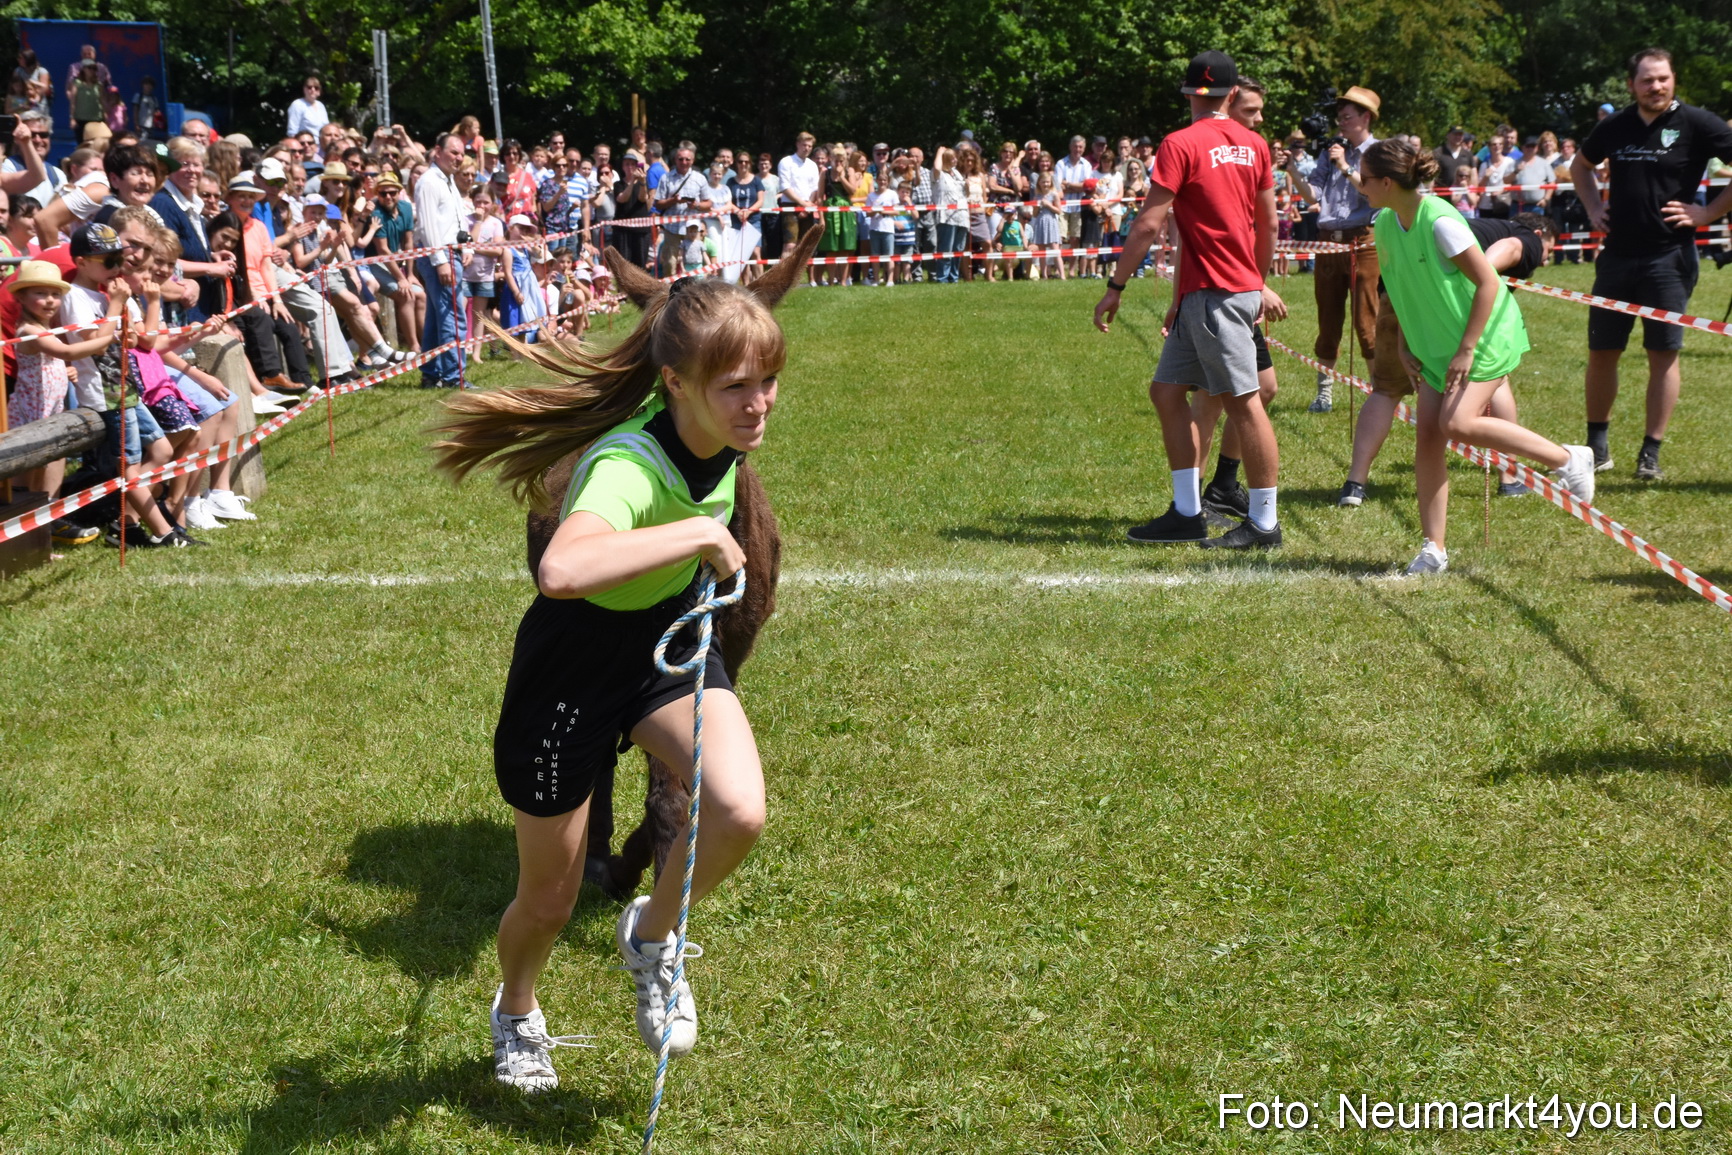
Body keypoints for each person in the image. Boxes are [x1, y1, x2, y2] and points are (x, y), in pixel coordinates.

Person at [429, 238, 821, 1093]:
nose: (759, 404)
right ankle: (516, 1009)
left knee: (738, 810)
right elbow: (562, 569)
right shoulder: (625, 465)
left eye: (768, 380)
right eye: (736, 386)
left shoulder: (721, 433)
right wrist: (697, 532)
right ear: (674, 383)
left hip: (662, 648)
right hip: (571, 672)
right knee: (549, 901)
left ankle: (652, 934)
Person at [1357, 139, 1595, 575]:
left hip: (1483, 339)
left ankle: (1567, 459)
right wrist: (1405, 344)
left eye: (1365, 178)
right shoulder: (1386, 224)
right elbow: (1402, 287)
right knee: (1428, 438)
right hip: (1434, 346)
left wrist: (1466, 349)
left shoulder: (1440, 222)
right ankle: (1433, 550)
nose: (1360, 186)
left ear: (1387, 182)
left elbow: (1488, 283)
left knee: (1457, 423)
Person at [1094, 50, 1282, 550]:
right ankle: (1186, 512)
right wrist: (1255, 281)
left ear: (1187, 94)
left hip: (1216, 295)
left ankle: (1264, 523)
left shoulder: (1179, 143)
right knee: (1166, 392)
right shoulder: (1255, 144)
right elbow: (1268, 224)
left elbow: (1149, 224)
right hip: (1212, 291)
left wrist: (1115, 287)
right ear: (1232, 94)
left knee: (1244, 404)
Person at [1571, 47, 1732, 481]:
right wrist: (1593, 207)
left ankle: (1650, 453)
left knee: (1662, 354)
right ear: (1631, 85)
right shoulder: (1615, 125)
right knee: (1602, 352)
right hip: (1616, 256)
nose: (1656, 86)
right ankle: (1596, 448)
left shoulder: (1699, 123)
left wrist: (1707, 213)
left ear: (1673, 79)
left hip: (1669, 257)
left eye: (1663, 78)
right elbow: (1580, 166)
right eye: (1647, 80)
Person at [1335, 212, 1559, 505]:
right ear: (1540, 234)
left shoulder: (1430, 222)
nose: (1546, 259)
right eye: (1550, 248)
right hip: (1445, 312)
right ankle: (1517, 475)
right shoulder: (1526, 236)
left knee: (1385, 392)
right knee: (1495, 383)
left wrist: (1404, 342)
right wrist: (1476, 280)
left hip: (1399, 300)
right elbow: (1509, 249)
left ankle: (1354, 484)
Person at [1284, 85, 1381, 412]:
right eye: (1339, 116)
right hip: (1328, 243)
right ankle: (1324, 394)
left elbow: (1374, 195)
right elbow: (1312, 195)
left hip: (1363, 243)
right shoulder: (1332, 151)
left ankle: (1378, 395)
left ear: (1366, 118)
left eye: (1347, 116)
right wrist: (1291, 170)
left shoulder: (1378, 152)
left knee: (1366, 322)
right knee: (1327, 322)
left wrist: (1346, 167)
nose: (1341, 122)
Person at [414, 132, 467, 388]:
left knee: (438, 317)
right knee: (452, 316)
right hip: (440, 254)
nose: (459, 158)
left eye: (462, 154)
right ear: (438, 151)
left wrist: (465, 247)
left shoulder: (448, 181)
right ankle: (454, 377)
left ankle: (431, 373)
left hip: (451, 251)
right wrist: (440, 260)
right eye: (454, 152)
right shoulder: (429, 182)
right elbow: (427, 226)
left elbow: (454, 220)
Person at [654, 145, 709, 278]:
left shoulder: (700, 178)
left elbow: (708, 203)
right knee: (670, 263)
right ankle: (671, 288)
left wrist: (696, 205)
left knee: (693, 261)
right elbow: (658, 204)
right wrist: (673, 201)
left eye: (687, 159)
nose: (684, 162)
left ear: (693, 160)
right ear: (675, 160)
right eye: (680, 159)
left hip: (692, 229)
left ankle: (693, 288)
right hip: (672, 228)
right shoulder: (666, 178)